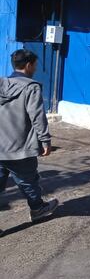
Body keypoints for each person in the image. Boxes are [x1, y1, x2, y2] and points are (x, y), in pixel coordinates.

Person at [0, 49, 59, 224]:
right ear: (28, 65)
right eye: (35, 65)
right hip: (20, 147)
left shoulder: (1, 84)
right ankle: (38, 209)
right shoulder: (31, 87)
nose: (35, 68)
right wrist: (45, 140)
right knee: (28, 181)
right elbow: (37, 116)